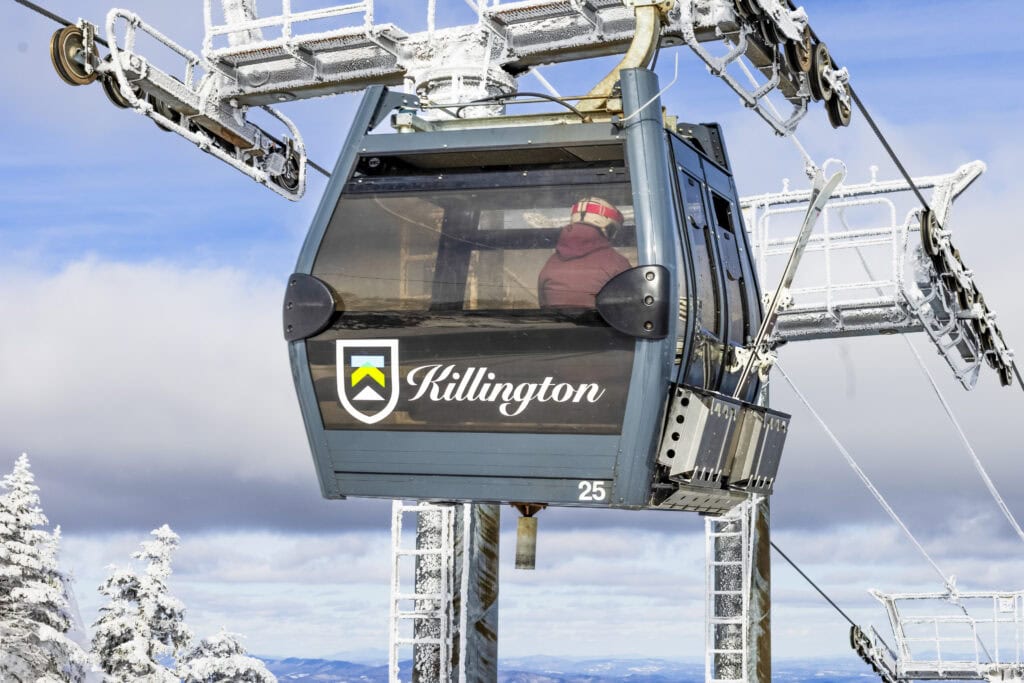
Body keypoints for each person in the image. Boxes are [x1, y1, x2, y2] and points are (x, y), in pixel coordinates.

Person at [538, 197, 631, 308]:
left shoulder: (551, 263)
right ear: (609, 229)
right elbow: (631, 307)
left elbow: (543, 305)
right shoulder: (617, 263)